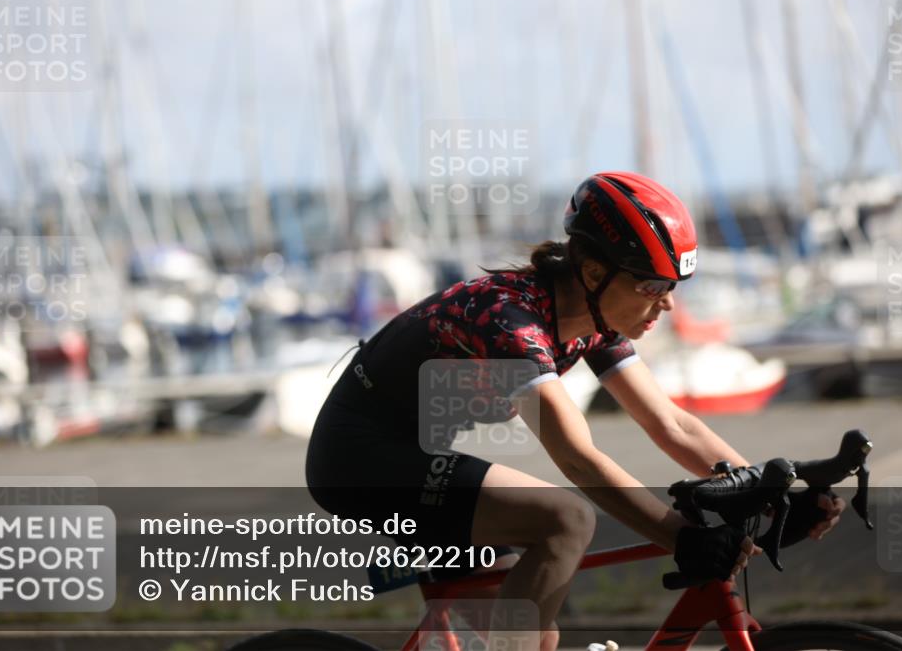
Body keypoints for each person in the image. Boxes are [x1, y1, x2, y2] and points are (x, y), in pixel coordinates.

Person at [306, 172, 844, 651]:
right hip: (358, 459)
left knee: (537, 632)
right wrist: (681, 537)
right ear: (592, 272)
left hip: (419, 452)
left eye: (673, 287)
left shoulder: (597, 320)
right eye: (652, 285)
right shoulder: (510, 321)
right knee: (566, 520)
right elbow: (576, 457)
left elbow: (671, 424)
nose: (667, 303)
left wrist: (772, 495)